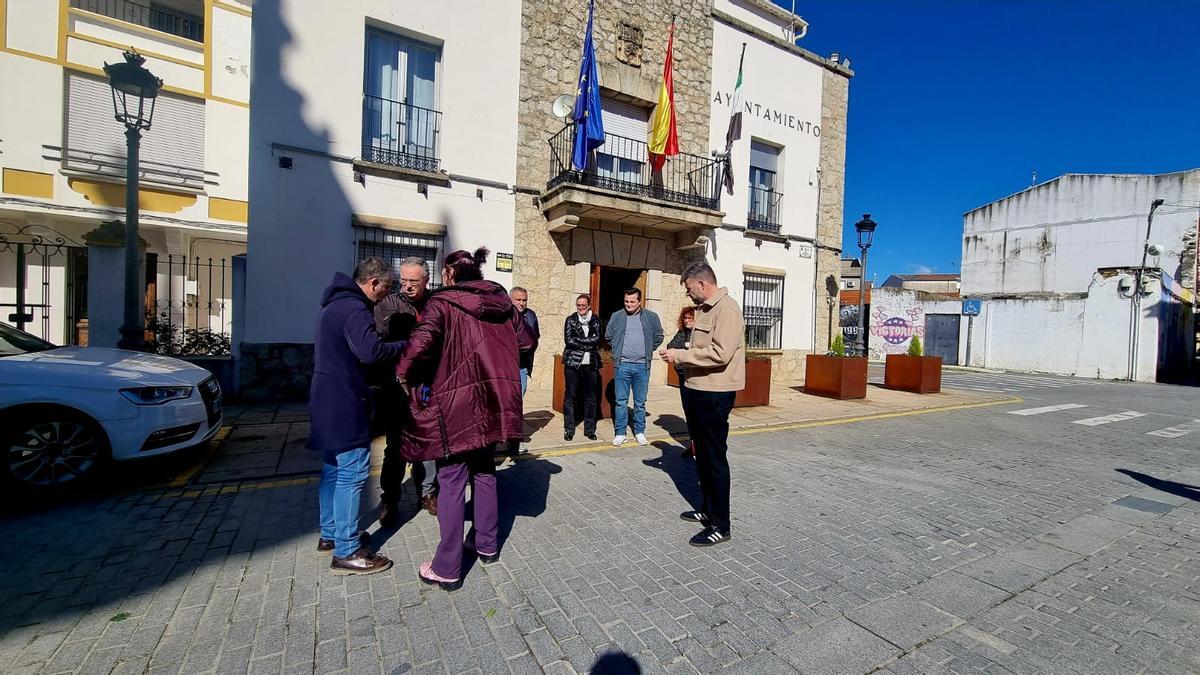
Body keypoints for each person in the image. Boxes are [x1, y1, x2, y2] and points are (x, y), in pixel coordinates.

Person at [394, 247, 532, 591]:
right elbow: (526, 341)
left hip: (456, 403)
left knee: (452, 480)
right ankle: (486, 545)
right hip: (492, 401)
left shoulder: (442, 303)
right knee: (484, 472)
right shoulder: (502, 300)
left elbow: (420, 343)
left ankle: (447, 567)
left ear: (451, 274)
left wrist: (402, 373)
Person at [310, 257, 404, 574]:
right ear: (373, 282)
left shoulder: (332, 305)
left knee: (333, 470)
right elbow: (371, 351)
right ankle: (348, 550)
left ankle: (331, 535)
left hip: (325, 398)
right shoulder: (354, 308)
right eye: (386, 288)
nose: (385, 295)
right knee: (352, 473)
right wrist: (404, 345)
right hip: (346, 401)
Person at [660, 262, 745, 547]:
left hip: (715, 394)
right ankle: (708, 510)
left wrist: (680, 357)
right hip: (698, 389)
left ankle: (721, 524)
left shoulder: (727, 309)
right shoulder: (704, 309)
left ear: (701, 284)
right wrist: (679, 350)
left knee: (714, 459)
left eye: (689, 288)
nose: (689, 295)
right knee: (703, 458)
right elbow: (701, 348)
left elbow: (720, 354)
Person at [373, 257, 438, 524]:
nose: (408, 286)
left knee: (429, 443)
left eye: (415, 281)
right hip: (396, 387)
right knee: (396, 446)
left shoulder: (435, 304)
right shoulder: (387, 304)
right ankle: (390, 498)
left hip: (428, 385)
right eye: (405, 280)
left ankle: (428, 493)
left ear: (426, 280)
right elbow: (377, 343)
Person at [605, 287, 663, 446]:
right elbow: (608, 336)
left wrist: (647, 349)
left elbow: (659, 336)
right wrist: (618, 350)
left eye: (632, 301)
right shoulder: (616, 316)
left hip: (642, 367)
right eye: (626, 301)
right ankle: (620, 432)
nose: (628, 304)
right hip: (622, 365)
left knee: (640, 402)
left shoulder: (651, 317)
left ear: (639, 302)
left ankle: (639, 431)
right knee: (621, 401)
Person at [562, 293, 601, 441]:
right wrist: (587, 342)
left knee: (591, 397)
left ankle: (590, 429)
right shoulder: (570, 320)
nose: (581, 308)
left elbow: (597, 339)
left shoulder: (596, 320)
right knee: (570, 396)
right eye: (578, 305)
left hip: (590, 363)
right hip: (573, 362)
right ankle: (569, 429)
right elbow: (568, 340)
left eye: (583, 305)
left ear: (589, 305)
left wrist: (580, 341)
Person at [508, 286, 540, 454]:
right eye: (518, 299)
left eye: (524, 300)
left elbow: (535, 338)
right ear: (510, 299)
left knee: (516, 405)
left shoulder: (531, 315)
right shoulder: (503, 316)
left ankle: (514, 443)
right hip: (504, 368)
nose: (522, 303)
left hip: (522, 368)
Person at [666, 306, 696, 458]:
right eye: (685, 318)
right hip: (683, 376)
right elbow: (670, 346)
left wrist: (684, 350)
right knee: (689, 411)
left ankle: (701, 447)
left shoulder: (700, 334)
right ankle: (693, 446)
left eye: (690, 318)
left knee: (698, 413)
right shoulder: (682, 333)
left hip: (696, 378)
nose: (687, 321)